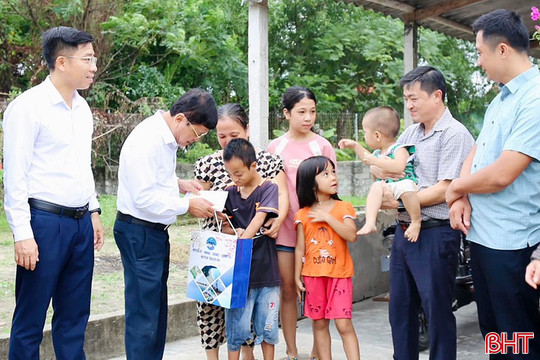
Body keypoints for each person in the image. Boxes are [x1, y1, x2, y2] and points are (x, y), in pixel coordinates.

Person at [2, 26, 105, 359]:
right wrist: (23, 234)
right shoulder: (27, 107)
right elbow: (15, 176)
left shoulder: (83, 109)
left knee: (75, 318)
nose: (93, 67)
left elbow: (81, 166)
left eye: (94, 59)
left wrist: (93, 211)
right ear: (62, 61)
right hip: (44, 223)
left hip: (79, 225)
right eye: (87, 59)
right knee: (31, 318)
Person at [446, 9, 540, 358]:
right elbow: (477, 149)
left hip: (512, 243)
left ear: (502, 49)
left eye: (480, 53)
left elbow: (503, 173)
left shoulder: (534, 99)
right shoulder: (502, 99)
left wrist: (455, 188)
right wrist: (461, 191)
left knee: (519, 335)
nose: (479, 62)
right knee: (495, 333)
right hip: (485, 238)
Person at [374, 66, 474, 359]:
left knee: (437, 311)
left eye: (414, 98)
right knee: (401, 310)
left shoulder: (455, 134)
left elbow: (446, 189)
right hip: (406, 233)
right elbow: (392, 169)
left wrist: (401, 202)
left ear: (437, 96)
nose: (409, 105)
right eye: (406, 99)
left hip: (436, 233)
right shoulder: (410, 133)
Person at [114, 88, 217, 360]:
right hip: (139, 231)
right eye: (196, 135)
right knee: (143, 315)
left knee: (155, 311)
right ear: (181, 118)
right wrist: (187, 205)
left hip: (154, 233)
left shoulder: (167, 138)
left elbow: (153, 180)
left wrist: (179, 184)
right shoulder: (148, 140)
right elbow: (143, 197)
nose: (193, 141)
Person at [194, 103, 288, 360]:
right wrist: (212, 213)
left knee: (246, 308)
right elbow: (198, 201)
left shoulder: (267, 160)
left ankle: (249, 355)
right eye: (221, 136)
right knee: (210, 307)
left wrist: (277, 221)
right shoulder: (207, 163)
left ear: (246, 129)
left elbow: (281, 195)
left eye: (233, 135)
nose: (226, 141)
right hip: (217, 250)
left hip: (253, 251)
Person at [267, 86, 336, 360]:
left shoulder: (322, 145)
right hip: (285, 232)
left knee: (318, 293)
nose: (309, 118)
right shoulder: (276, 147)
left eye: (313, 112)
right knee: (287, 290)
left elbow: (331, 188)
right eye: (301, 112)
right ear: (286, 113)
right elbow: (271, 189)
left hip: (318, 233)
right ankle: (292, 352)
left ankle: (319, 353)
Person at [294, 156, 360, 360]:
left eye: (333, 172)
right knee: (319, 324)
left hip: (339, 275)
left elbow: (351, 235)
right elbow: (299, 249)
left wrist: (328, 218)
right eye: (325, 174)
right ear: (310, 183)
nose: (333, 177)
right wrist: (297, 278)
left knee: (343, 324)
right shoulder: (302, 215)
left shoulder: (344, 208)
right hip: (312, 277)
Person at [221, 138, 281, 360]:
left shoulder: (268, 188)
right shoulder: (229, 192)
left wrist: (243, 236)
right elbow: (224, 225)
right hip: (238, 276)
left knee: (268, 328)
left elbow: (259, 219)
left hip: (267, 273)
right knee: (236, 329)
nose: (235, 179)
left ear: (253, 166)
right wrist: (232, 230)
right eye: (230, 174)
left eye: (239, 173)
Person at [338, 106, 421, 242]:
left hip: (405, 182)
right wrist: (354, 146)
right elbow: (367, 158)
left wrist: (376, 161)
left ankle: (416, 221)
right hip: (389, 186)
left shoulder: (399, 148)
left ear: (377, 135)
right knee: (375, 187)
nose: (364, 136)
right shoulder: (378, 153)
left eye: (365, 133)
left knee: (406, 189)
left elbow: (399, 166)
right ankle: (370, 222)